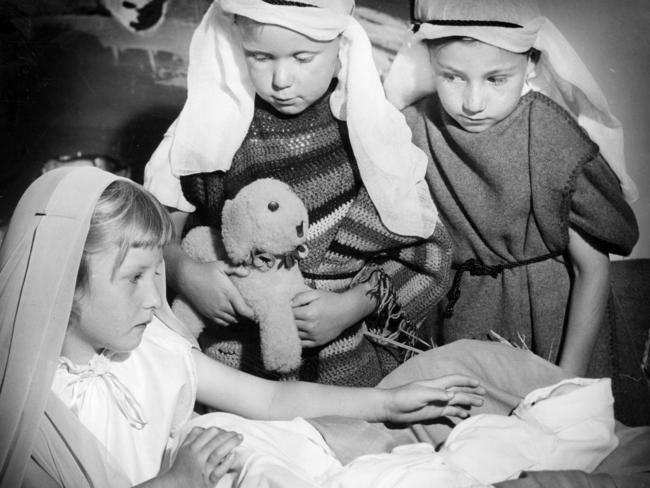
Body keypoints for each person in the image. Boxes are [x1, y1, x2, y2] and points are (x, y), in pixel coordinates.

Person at [0, 167, 483, 487]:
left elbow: (268, 398)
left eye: (156, 275)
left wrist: (387, 403)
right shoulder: (25, 413)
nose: (155, 299)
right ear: (62, 283)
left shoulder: (155, 349)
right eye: (132, 279)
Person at [143, 0, 452, 386]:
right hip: (232, 379)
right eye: (260, 57)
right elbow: (148, 232)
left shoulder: (368, 134)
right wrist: (186, 273)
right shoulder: (212, 129)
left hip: (345, 379)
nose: (281, 79)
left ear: (340, 46)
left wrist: (350, 305)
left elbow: (429, 255)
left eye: (303, 58)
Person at [383, 0, 640, 377]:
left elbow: (591, 270)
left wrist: (567, 381)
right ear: (429, 62)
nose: (472, 102)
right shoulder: (415, 128)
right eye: (452, 76)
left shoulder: (551, 139)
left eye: (495, 79)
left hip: (551, 332)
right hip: (451, 329)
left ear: (531, 63)